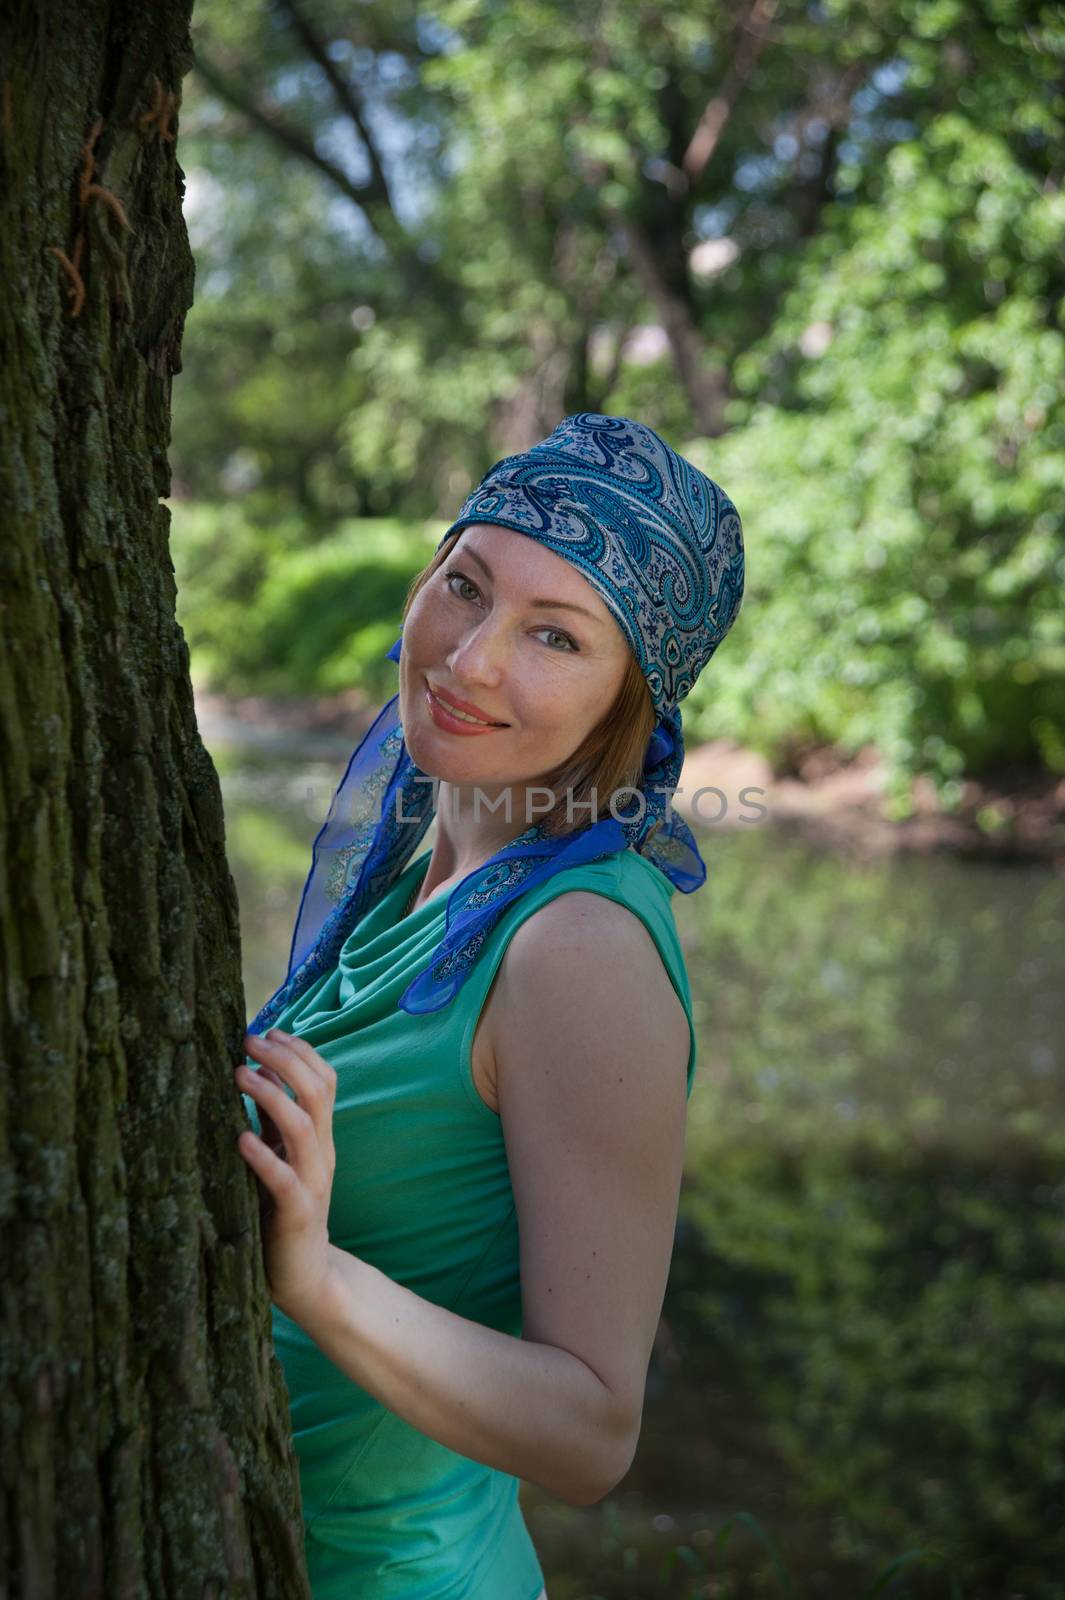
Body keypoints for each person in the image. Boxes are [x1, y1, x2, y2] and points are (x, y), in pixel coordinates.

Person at [235, 412, 745, 1599]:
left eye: (555, 635)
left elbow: (591, 1434)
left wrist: (317, 1278)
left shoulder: (579, 949)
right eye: (465, 584)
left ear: (634, 696)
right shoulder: (426, 845)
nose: (469, 660)